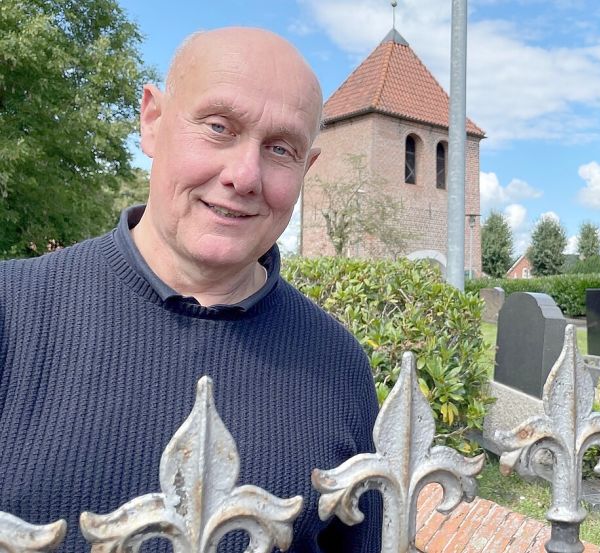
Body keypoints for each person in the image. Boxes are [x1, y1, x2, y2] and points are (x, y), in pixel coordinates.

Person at [0, 27, 382, 552]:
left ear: (306, 168)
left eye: (280, 148)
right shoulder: (10, 315)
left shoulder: (338, 365)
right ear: (152, 121)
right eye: (219, 127)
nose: (245, 175)